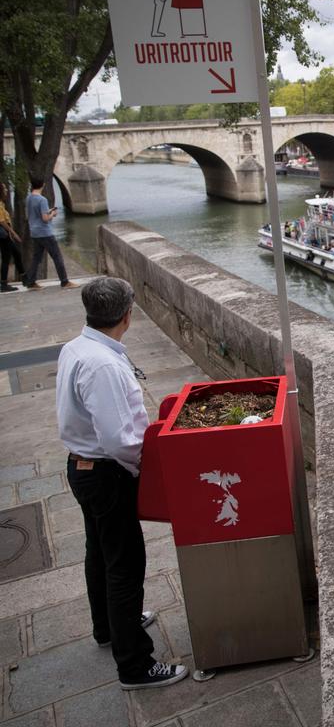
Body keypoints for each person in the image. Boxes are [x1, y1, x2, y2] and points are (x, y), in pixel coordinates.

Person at [56, 277, 188, 690]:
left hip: (82, 467)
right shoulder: (104, 365)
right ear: (128, 315)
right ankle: (135, 664)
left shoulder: (76, 348)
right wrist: (144, 470)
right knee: (125, 566)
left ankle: (108, 628)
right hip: (108, 473)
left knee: (100, 553)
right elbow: (120, 440)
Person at [23, 178, 76, 290]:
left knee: (36, 258)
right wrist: (53, 214)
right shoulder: (42, 200)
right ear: (43, 185)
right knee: (57, 257)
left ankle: (31, 282)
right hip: (45, 232)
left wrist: (48, 210)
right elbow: (45, 218)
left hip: (34, 232)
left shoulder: (29, 198)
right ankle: (65, 281)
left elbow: (31, 215)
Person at [0, 183, 25, 292]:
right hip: (3, 235)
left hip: (5, 235)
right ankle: (4, 284)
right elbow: (2, 221)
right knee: (6, 259)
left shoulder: (2, 204)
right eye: (4, 188)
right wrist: (13, 234)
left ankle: (25, 277)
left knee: (16, 253)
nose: (6, 190)